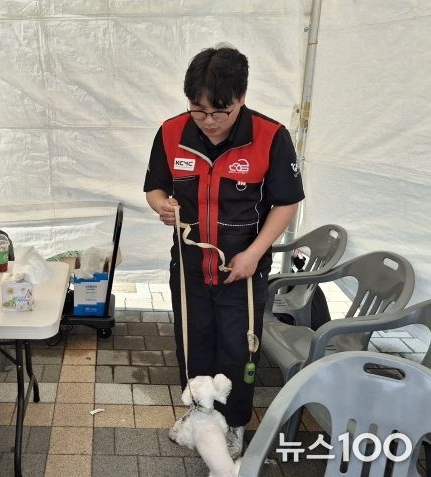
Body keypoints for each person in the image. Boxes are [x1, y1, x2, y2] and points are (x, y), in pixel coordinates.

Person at [143, 44, 304, 456]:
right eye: (199, 111)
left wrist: (254, 254)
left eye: (221, 112)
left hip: (242, 269)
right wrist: (162, 206)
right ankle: (199, 415)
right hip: (190, 267)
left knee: (237, 349)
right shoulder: (172, 133)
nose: (209, 121)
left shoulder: (270, 137)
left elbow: (287, 203)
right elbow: (154, 187)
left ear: (242, 97)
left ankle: (233, 425)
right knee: (193, 343)